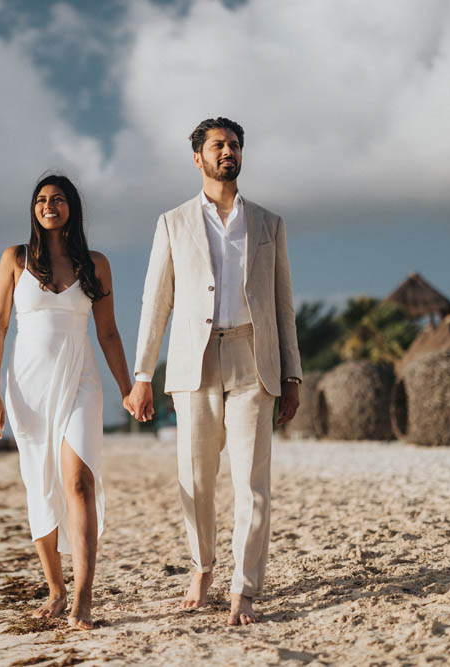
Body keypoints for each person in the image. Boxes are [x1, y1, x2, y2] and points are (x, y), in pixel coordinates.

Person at [125, 117, 302, 626]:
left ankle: (244, 589)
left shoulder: (269, 223)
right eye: (218, 145)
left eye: (235, 145)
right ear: (198, 157)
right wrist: (142, 375)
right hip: (194, 361)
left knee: (252, 483)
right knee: (196, 479)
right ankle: (202, 567)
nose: (229, 151)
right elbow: (154, 304)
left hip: (254, 358)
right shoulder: (172, 222)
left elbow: (283, 305)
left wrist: (293, 375)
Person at [0, 174, 133, 630]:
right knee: (40, 485)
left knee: (79, 483)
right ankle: (55, 586)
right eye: (42, 200)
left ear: (72, 208)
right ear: (33, 209)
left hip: (80, 379)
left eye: (59, 199)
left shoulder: (96, 264)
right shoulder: (15, 258)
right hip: (27, 386)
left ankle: (82, 597)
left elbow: (107, 332)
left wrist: (129, 388)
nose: (50, 205)